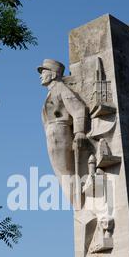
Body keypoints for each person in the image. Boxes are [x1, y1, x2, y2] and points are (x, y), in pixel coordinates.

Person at [38, 59, 87, 187]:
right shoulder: (52, 91)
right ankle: (77, 201)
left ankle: (78, 201)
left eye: (43, 72)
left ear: (53, 74)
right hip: (52, 134)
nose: (40, 75)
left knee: (65, 173)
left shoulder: (61, 89)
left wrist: (79, 132)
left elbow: (78, 109)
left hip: (60, 132)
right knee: (61, 174)